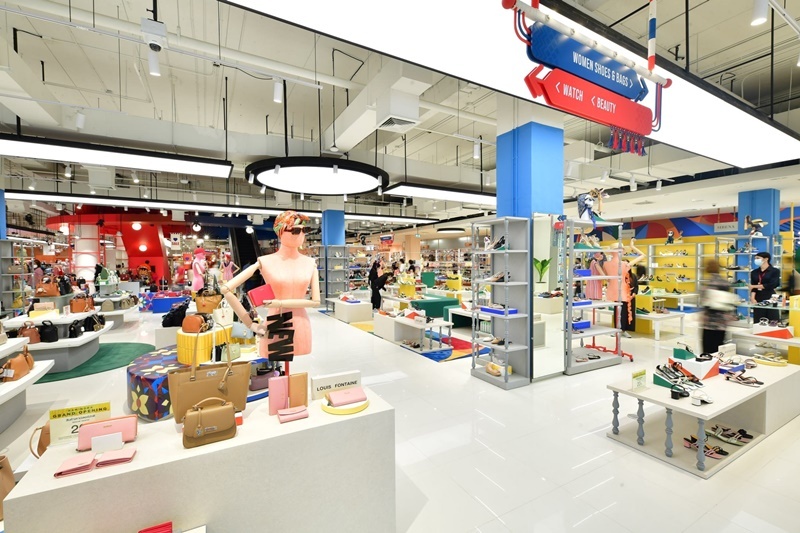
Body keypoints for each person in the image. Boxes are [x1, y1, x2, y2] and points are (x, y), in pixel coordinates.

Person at [220, 210, 320, 358]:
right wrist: (250, 324)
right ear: (280, 232)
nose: (301, 234)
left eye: (304, 230)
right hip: (276, 322)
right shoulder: (265, 262)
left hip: (301, 325)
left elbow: (316, 302)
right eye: (295, 230)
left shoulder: (310, 263)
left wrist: (280, 303)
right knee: (278, 362)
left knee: (293, 362)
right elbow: (226, 289)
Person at [603, 239, 645, 338]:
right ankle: (620, 330)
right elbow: (643, 255)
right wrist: (632, 246)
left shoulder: (607, 264)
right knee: (621, 311)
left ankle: (620, 330)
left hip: (614, 290)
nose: (622, 252)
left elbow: (607, 278)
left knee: (619, 310)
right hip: (621, 290)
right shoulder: (624, 264)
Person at [700, 259, 736, 353]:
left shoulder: (708, 284)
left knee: (708, 349)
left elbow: (705, 302)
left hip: (710, 322)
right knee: (719, 347)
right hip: (722, 321)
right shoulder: (725, 282)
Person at [750, 251, 781, 323]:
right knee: (758, 319)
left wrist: (754, 286)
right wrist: (752, 298)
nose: (756, 260)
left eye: (758, 258)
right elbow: (753, 287)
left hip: (770, 296)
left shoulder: (774, 271)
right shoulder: (754, 272)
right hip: (758, 297)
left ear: (766, 259)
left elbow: (773, 284)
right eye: (755, 258)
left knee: (772, 318)